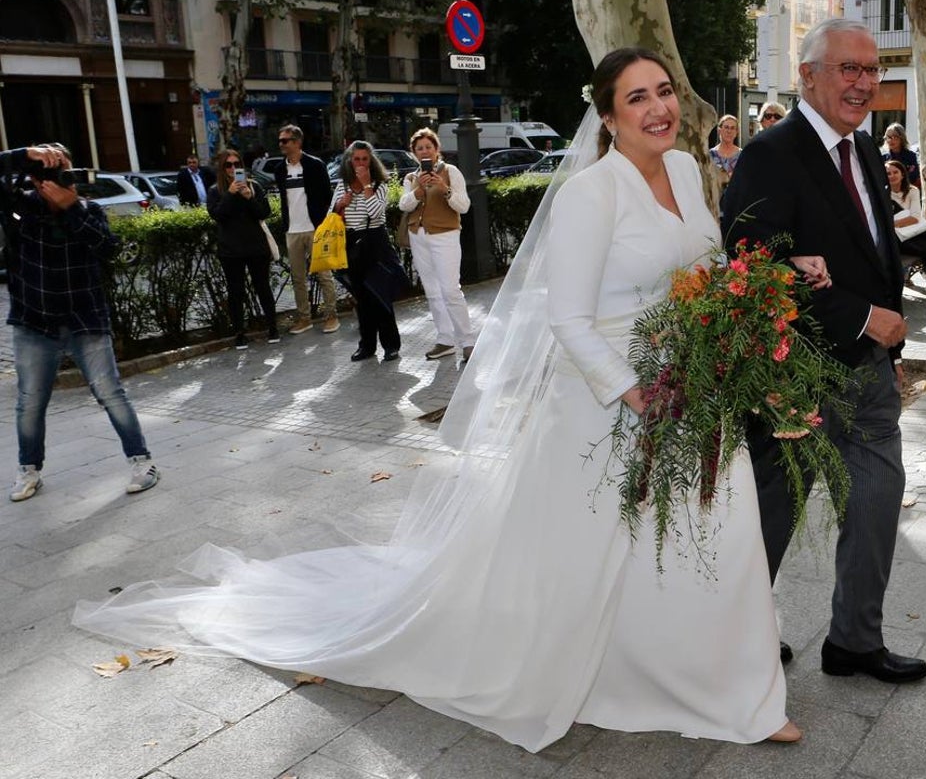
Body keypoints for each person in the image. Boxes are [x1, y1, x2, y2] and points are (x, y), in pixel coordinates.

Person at [75, 47, 808, 751]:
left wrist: (752, 310)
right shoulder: (590, 193)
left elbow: (708, 274)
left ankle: (737, 689)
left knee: (722, 531)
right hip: (611, 402)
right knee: (602, 552)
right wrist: (634, 392)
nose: (658, 108)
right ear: (608, 118)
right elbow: (568, 319)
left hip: (697, 391)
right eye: (636, 97)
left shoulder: (686, 171)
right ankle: (652, 676)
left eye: (664, 91)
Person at [721, 17, 926, 685]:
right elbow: (753, 266)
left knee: (876, 498)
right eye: (849, 69)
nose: (864, 83)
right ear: (808, 76)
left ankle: (855, 642)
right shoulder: (769, 154)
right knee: (773, 511)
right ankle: (738, 637)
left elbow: (875, 254)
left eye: (872, 71)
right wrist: (865, 317)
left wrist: (887, 349)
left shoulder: (865, 151)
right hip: (794, 375)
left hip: (868, 372)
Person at [1, 144, 159, 503]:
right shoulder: (20, 208)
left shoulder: (88, 211)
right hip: (33, 323)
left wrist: (71, 208)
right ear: (36, 180)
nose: (60, 181)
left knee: (110, 393)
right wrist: (27, 155)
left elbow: (107, 248)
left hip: (84, 320)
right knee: (30, 401)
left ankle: (142, 462)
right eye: (51, 174)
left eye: (66, 174)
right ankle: (29, 469)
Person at [397, 129, 477, 362]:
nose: (425, 151)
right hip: (418, 235)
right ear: (414, 153)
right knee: (432, 291)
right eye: (419, 148)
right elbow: (404, 205)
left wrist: (445, 190)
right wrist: (419, 191)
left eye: (428, 147)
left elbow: (463, 206)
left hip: (445, 235)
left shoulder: (451, 172)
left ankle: (468, 341)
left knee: (451, 290)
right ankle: (445, 340)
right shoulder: (411, 178)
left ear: (436, 149)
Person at [331, 141, 402, 362]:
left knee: (380, 295)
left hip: (374, 243)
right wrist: (340, 204)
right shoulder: (342, 185)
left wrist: (366, 186)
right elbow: (330, 216)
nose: (360, 163)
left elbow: (377, 211)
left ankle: (391, 345)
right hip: (352, 245)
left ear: (371, 162)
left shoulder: (380, 184)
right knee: (362, 299)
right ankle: (367, 345)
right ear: (349, 162)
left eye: (365, 159)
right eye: (356, 159)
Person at [207, 148, 278, 350]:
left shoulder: (254, 186)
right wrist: (230, 194)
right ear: (222, 168)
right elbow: (218, 215)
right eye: (228, 165)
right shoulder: (215, 191)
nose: (233, 168)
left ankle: (273, 327)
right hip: (231, 250)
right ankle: (239, 333)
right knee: (235, 291)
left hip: (256, 247)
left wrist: (249, 197)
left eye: (237, 164)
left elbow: (265, 212)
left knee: (262, 287)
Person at [273, 124, 340, 336]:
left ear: (297, 142)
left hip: (315, 228)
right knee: (297, 278)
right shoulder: (279, 169)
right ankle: (304, 318)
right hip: (292, 230)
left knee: (324, 274)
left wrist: (324, 224)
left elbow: (327, 198)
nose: (281, 144)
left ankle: (331, 316)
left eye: (285, 140)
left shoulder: (315, 165)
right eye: (280, 140)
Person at [886, 159, 926, 291]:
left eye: (895, 172)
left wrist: (896, 222)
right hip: (898, 236)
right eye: (888, 173)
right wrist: (903, 222)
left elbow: (916, 217)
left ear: (902, 174)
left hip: (915, 229)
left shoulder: (912, 190)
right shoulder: (883, 194)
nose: (892, 176)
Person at [881, 123, 920, 189]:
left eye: (895, 137)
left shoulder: (911, 156)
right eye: (888, 137)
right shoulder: (883, 157)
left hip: (907, 191)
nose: (891, 140)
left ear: (901, 138)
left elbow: (914, 176)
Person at [709, 114, 741, 188]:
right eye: (726, 127)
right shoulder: (710, 155)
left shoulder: (742, 155)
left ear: (736, 132)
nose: (729, 131)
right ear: (719, 130)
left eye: (732, 128)